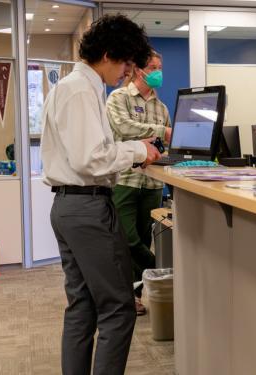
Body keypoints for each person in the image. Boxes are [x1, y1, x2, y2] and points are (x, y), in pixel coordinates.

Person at [40, 14, 160, 375]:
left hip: (69, 205)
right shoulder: (80, 90)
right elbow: (91, 159)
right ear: (107, 54)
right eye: (125, 64)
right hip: (87, 207)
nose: (127, 73)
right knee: (119, 308)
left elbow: (89, 153)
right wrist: (138, 150)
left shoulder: (75, 87)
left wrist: (131, 151)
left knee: (82, 307)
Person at [106, 50, 170, 315]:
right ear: (138, 70)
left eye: (160, 67)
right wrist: (161, 132)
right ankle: (163, 270)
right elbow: (124, 128)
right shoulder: (118, 98)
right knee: (128, 239)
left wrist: (162, 148)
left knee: (144, 237)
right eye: (152, 67)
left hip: (152, 184)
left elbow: (166, 145)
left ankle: (133, 296)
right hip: (125, 180)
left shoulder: (161, 107)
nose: (157, 72)